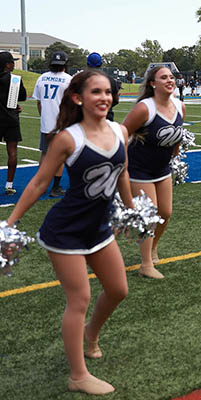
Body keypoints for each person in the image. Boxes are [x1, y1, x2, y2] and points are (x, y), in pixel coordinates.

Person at [7, 69, 134, 395]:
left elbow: (122, 173)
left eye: (107, 92)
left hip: (99, 228)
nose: (104, 97)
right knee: (79, 298)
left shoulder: (120, 131)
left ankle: (91, 333)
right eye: (96, 92)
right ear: (78, 98)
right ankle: (78, 375)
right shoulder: (69, 138)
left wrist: (131, 209)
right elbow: (38, 182)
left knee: (118, 289)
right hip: (65, 231)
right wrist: (11, 222)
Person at [122, 66, 186, 279]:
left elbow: (178, 135)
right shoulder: (144, 108)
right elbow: (123, 132)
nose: (170, 80)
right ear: (152, 83)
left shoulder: (179, 106)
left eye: (171, 77)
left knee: (165, 213)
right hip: (139, 169)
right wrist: (122, 165)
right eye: (163, 77)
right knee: (149, 213)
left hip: (162, 168)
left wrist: (175, 158)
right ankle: (145, 265)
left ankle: (152, 246)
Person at [32, 50, 72, 197]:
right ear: (65, 64)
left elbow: (38, 102)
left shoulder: (42, 78)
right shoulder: (68, 80)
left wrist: (44, 117)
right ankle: (55, 187)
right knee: (60, 156)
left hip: (46, 122)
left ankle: (39, 185)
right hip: (61, 123)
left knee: (44, 153)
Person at [0, 51, 27, 195]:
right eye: (12, 62)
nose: (14, 64)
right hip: (11, 118)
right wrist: (15, 106)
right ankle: (9, 185)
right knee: (12, 152)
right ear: (7, 65)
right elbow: (21, 97)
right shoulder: (15, 79)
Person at [86, 52, 120, 121]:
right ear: (101, 64)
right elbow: (116, 99)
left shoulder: (81, 80)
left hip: (86, 119)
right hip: (107, 118)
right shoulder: (110, 80)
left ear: (87, 64)